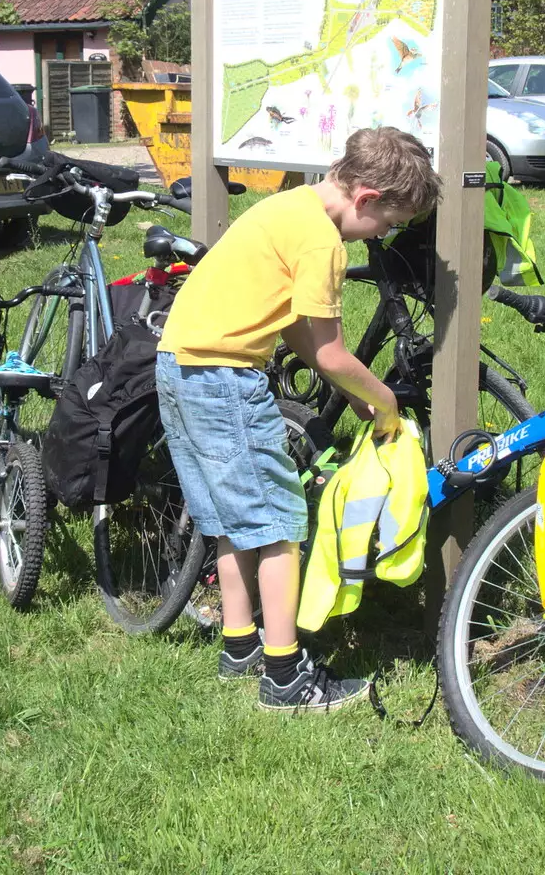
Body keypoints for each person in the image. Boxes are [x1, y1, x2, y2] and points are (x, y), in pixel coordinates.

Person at [156, 127, 442, 709]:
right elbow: (333, 351)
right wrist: (383, 398)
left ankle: (241, 646)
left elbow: (297, 331)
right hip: (223, 378)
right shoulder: (324, 243)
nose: (383, 235)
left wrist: (351, 391)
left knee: (233, 519)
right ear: (364, 199)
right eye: (388, 223)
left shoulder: (289, 207)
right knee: (281, 522)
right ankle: (285, 676)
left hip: (178, 365)